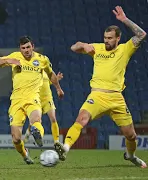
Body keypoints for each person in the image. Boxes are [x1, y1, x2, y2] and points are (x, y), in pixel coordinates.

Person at [54, 6, 147, 168]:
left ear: (118, 38)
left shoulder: (125, 49)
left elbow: (141, 34)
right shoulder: (97, 48)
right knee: (81, 119)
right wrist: (83, 44)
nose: (106, 41)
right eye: (105, 37)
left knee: (131, 136)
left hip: (117, 98)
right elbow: (73, 47)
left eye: (110, 38)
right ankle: (65, 148)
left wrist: (124, 20)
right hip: (97, 96)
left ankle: (130, 155)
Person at [0, 36, 64, 164]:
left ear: (33, 47)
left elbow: (51, 74)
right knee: (16, 138)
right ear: (20, 49)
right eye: (23, 48)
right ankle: (25, 155)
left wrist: (58, 88)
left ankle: (39, 136)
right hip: (16, 101)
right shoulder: (15, 56)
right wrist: (10, 60)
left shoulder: (42, 60)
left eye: (28, 47)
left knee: (36, 120)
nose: (26, 50)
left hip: (33, 98)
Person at [24, 71, 63, 144]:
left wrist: (57, 78)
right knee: (36, 122)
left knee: (53, 118)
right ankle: (32, 135)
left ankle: (56, 142)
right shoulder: (31, 70)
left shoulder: (46, 69)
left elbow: (48, 82)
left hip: (47, 98)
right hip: (36, 99)